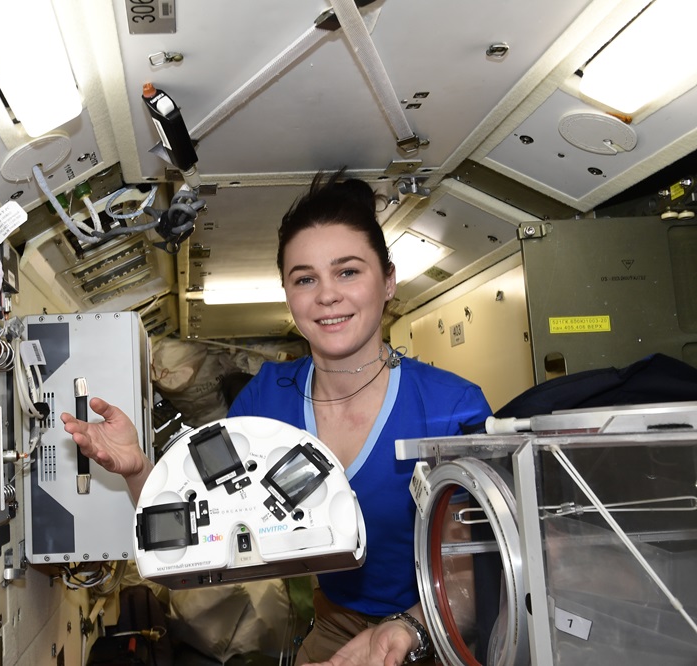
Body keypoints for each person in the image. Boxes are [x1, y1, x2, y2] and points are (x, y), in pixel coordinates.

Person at [62, 169, 492, 666]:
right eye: (305, 279)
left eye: (348, 272)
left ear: (389, 281)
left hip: (436, 621)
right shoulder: (268, 399)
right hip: (335, 621)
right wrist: (139, 470)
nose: (326, 295)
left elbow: (479, 573)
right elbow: (199, 530)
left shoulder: (451, 408)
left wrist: (410, 629)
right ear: (289, 295)